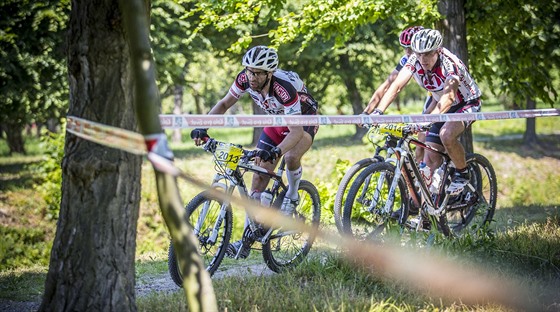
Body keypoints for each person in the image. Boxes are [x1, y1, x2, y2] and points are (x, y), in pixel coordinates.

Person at [190, 45, 319, 258]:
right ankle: (249, 237)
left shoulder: (283, 87)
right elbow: (224, 104)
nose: (252, 76)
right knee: (258, 177)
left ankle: (293, 196)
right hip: (277, 121)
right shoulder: (244, 79)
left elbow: (295, 131)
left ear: (269, 73)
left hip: (302, 121)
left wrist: (276, 151)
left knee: (290, 155)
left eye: (258, 73)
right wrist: (204, 126)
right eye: (249, 71)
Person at [373, 28, 482, 196]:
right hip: (442, 104)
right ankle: (430, 211)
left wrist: (427, 121)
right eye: (418, 54)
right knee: (429, 157)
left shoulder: (449, 63)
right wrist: (378, 111)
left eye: (427, 54)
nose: (422, 59)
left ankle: (463, 172)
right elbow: (396, 86)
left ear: (437, 51)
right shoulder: (414, 59)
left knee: (446, 135)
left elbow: (449, 96)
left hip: (466, 102)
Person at [361, 25, 431, 162]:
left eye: (410, 48)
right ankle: (419, 179)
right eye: (404, 48)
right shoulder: (406, 60)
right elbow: (388, 85)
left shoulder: (428, 57)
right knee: (418, 150)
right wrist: (367, 112)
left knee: (424, 142)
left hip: (443, 97)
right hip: (432, 95)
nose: (407, 52)